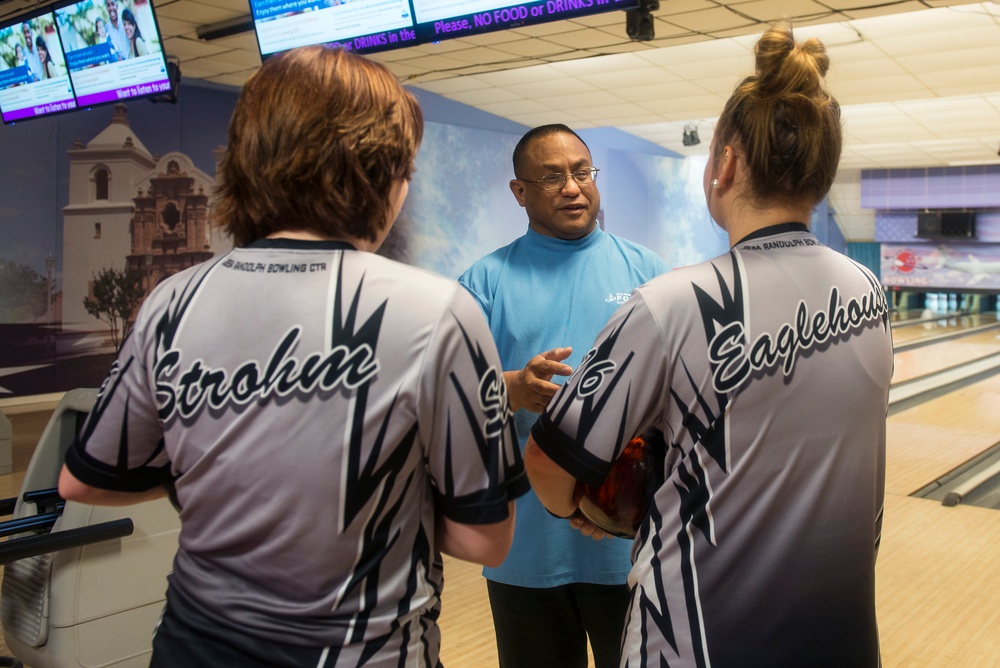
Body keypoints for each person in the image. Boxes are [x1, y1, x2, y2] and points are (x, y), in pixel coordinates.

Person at [58, 45, 527, 667]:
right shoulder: (438, 310)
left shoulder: (171, 300)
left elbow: (86, 480)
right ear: (382, 173)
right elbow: (484, 537)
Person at [524, 21, 893, 668]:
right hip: (843, 643)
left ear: (723, 163)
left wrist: (596, 509)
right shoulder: (867, 292)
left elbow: (550, 466)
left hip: (697, 646)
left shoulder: (670, 304)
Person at [458, 124, 668, 668]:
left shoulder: (649, 275)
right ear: (519, 190)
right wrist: (514, 389)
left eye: (582, 172)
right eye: (551, 177)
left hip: (630, 546)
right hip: (525, 552)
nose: (572, 188)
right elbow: (445, 394)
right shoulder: (483, 282)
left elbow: (680, 402)